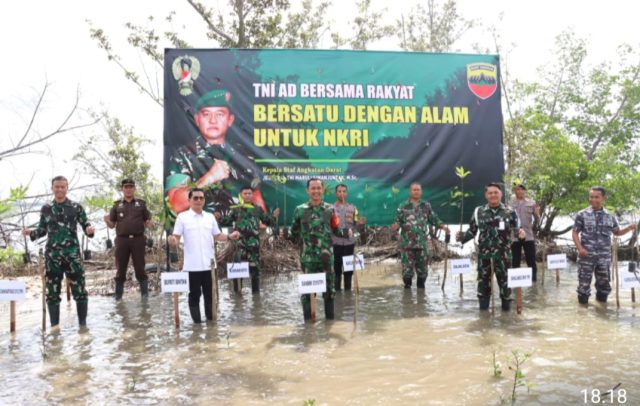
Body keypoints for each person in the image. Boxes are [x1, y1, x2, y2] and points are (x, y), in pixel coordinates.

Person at [165, 89, 266, 220]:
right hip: (200, 227)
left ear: (230, 120)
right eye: (206, 114)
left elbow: (257, 201)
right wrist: (208, 179)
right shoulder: (183, 155)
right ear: (197, 119)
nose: (213, 120)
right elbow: (175, 204)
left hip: (238, 229)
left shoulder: (244, 156)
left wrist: (262, 223)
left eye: (220, 114)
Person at [22, 176, 95, 328]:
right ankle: (54, 328)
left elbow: (86, 225)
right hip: (52, 257)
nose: (60, 189)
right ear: (52, 188)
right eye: (57, 187)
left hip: (72, 256)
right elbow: (42, 230)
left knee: (80, 291)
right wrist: (31, 233)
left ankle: (83, 327)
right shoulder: (46, 208)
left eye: (63, 187)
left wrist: (90, 230)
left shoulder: (76, 207)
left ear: (67, 188)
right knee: (52, 293)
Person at [168, 188, 240, 323]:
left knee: (210, 295)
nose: (198, 200)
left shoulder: (209, 217)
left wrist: (229, 236)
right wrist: (172, 241)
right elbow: (176, 237)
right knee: (194, 296)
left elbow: (217, 235)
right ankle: (197, 326)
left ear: (204, 200)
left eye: (201, 198)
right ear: (189, 200)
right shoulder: (182, 217)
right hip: (192, 266)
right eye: (195, 198)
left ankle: (211, 326)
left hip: (209, 265)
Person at [289, 178, 351, 321]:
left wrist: (346, 233)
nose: (316, 191)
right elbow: (294, 233)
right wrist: (286, 235)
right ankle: (308, 328)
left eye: (318, 188)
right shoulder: (299, 210)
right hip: (308, 260)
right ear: (307, 190)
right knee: (307, 294)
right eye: (313, 188)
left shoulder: (330, 210)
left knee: (329, 292)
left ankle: (329, 325)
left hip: (326, 259)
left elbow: (336, 230)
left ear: (322, 190)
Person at [457, 183, 525, 311]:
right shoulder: (478, 211)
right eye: (490, 193)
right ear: (486, 195)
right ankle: (484, 318)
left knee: (506, 287)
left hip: (504, 256)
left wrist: (521, 233)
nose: (493, 195)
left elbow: (517, 229)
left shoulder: (510, 211)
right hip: (484, 256)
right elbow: (472, 231)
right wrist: (461, 238)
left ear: (501, 194)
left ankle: (506, 317)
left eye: (496, 192)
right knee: (483, 288)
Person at [572, 186, 636, 305]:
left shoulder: (610, 215)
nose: (593, 199)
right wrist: (580, 249)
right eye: (591, 197)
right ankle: (583, 313)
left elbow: (617, 232)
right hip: (586, 257)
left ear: (603, 198)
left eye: (596, 197)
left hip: (604, 257)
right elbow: (575, 233)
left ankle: (602, 310)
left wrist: (629, 228)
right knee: (583, 288)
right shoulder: (582, 214)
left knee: (604, 287)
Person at [215, 186, 279, 294]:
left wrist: (274, 217)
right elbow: (226, 221)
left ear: (252, 195)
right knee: (237, 272)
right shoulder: (236, 209)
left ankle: (256, 297)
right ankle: (238, 296)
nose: (247, 195)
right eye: (245, 193)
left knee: (255, 272)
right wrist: (219, 218)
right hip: (239, 246)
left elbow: (267, 221)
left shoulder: (257, 209)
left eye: (249, 193)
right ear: (241, 195)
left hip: (254, 246)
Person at [391, 182, 449, 289]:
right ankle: (407, 295)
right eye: (414, 190)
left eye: (418, 190)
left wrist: (443, 227)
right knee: (407, 273)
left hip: (421, 245)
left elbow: (434, 219)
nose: (416, 191)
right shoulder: (403, 206)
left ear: (421, 192)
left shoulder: (426, 205)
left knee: (423, 273)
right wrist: (395, 227)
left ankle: (421, 295)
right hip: (407, 245)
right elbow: (397, 221)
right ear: (410, 192)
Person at [104, 179, 153, 300]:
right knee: (120, 268)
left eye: (131, 187)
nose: (128, 189)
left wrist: (150, 223)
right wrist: (106, 220)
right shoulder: (117, 205)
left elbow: (147, 221)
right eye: (126, 187)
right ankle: (118, 296)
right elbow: (112, 225)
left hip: (138, 239)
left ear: (134, 189)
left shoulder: (141, 204)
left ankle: (145, 296)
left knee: (140, 268)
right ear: (122, 189)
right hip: (122, 240)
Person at [332, 184, 365, 291]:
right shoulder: (331, 209)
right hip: (336, 243)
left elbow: (356, 227)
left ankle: (347, 294)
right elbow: (328, 227)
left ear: (347, 193)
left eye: (344, 191)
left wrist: (360, 224)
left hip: (349, 244)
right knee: (337, 270)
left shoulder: (353, 208)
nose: (342, 193)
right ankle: (337, 294)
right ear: (336, 193)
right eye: (339, 191)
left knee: (348, 271)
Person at [509, 182, 540, 281]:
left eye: (522, 189)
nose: (520, 191)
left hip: (528, 236)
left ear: (525, 191)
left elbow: (537, 220)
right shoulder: (509, 204)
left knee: (531, 259)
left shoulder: (532, 203)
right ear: (515, 191)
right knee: (515, 260)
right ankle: (516, 283)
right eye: (518, 189)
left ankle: (533, 283)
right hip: (514, 236)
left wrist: (537, 213)